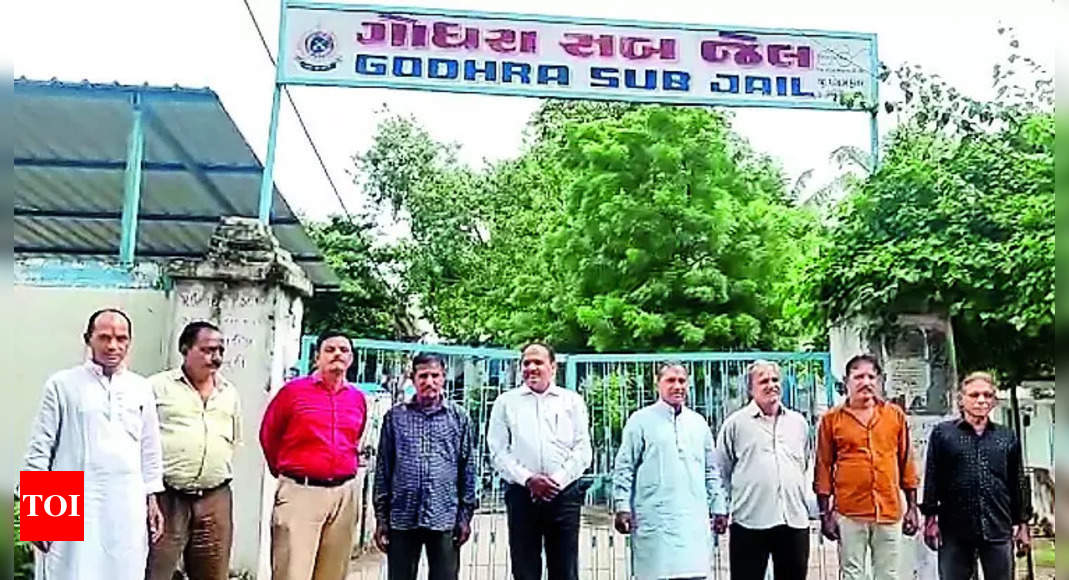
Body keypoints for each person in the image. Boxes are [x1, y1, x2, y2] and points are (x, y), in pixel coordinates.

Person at [21, 308, 164, 580]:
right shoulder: (62, 385)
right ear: (88, 339)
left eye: (121, 338)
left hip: (126, 501)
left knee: (124, 568)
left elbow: (150, 448)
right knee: (67, 569)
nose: (113, 346)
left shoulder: (141, 387)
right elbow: (41, 448)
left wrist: (152, 499)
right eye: (104, 337)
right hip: (69, 497)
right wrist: (39, 515)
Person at [259, 331, 368, 580]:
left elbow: (355, 438)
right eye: (330, 349)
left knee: (333, 573)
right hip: (301, 493)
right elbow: (269, 435)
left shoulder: (357, 399)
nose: (337, 354)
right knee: (292, 572)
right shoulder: (292, 393)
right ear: (317, 357)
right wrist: (289, 473)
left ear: (351, 359)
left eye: (344, 350)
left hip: (344, 496)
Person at [487, 342, 592, 580]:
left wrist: (556, 481)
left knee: (565, 569)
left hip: (563, 495)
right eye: (526, 363)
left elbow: (583, 449)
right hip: (522, 494)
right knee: (524, 569)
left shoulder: (571, 401)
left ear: (553, 367)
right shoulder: (506, 403)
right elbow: (498, 450)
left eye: (538, 362)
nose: (531, 368)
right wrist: (528, 480)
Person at [146, 321, 243, 580]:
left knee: (213, 573)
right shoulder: (155, 387)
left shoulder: (228, 392)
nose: (216, 358)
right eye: (207, 350)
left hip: (214, 497)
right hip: (168, 497)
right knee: (157, 571)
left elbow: (233, 440)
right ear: (185, 349)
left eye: (220, 351)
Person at [612, 362, 725, 580]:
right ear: (658, 384)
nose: (677, 386)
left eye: (682, 381)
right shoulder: (640, 421)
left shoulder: (698, 423)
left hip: (693, 521)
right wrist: (622, 506)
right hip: (655, 521)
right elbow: (625, 467)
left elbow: (711, 470)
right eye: (670, 380)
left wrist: (719, 507)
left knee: (694, 574)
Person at [814, 354, 920, 580]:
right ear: (847, 381)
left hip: (888, 510)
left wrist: (912, 507)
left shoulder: (894, 416)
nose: (866, 382)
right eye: (859, 377)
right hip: (850, 511)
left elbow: (906, 462)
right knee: (853, 574)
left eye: (871, 377)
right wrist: (825, 514)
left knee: (888, 574)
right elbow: (823, 466)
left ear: (879, 381)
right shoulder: (832, 420)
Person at [373, 353, 478, 580]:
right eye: (423, 376)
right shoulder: (395, 418)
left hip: (444, 516)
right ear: (413, 378)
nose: (429, 382)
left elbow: (467, 469)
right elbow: (383, 470)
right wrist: (381, 518)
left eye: (435, 375)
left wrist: (465, 516)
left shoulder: (459, 418)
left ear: (443, 377)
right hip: (402, 516)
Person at [921, 372, 1032, 580]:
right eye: (974, 395)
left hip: (997, 526)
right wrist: (930, 518)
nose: (981, 400)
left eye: (987, 395)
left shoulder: (1006, 437)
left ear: (994, 401)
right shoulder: (943, 434)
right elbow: (933, 477)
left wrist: (1023, 524)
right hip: (955, 529)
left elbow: (1017, 482)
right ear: (961, 399)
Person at [713, 360, 812, 580]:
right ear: (751, 389)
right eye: (763, 381)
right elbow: (722, 469)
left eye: (775, 380)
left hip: (793, 519)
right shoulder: (736, 424)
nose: (771, 385)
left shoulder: (798, 423)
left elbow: (803, 462)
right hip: (750, 520)